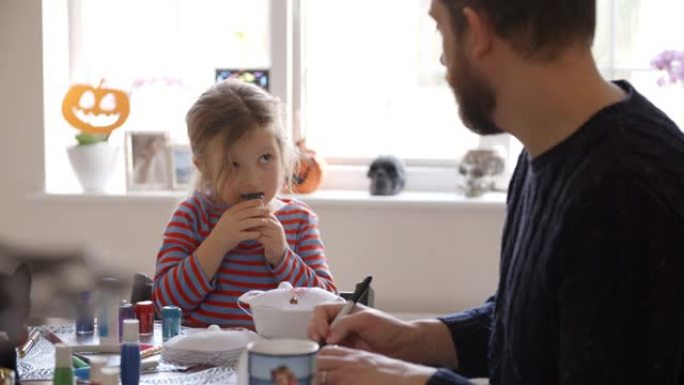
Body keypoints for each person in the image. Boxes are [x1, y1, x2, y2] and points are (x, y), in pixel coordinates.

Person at [308, 0, 684, 384]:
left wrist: (416, 382)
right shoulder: (551, 146)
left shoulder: (625, 195)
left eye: (441, 29)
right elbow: (535, 329)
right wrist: (415, 339)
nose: (442, 60)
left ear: (477, 32)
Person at [153, 80, 337, 328]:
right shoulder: (192, 216)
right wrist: (216, 244)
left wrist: (282, 256)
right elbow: (163, 306)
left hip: (275, 357)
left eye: (265, 158)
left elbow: (326, 305)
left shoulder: (299, 221)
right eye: (233, 165)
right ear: (204, 167)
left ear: (284, 156)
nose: (252, 179)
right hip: (199, 359)